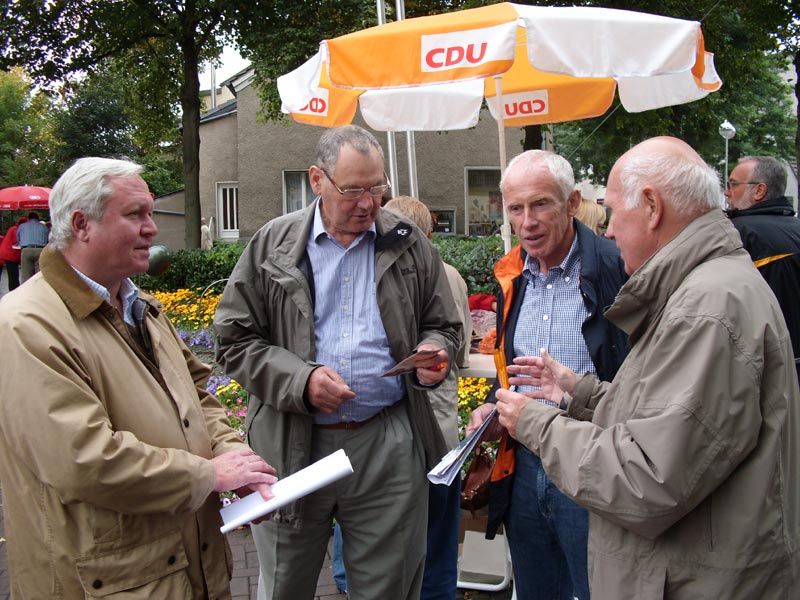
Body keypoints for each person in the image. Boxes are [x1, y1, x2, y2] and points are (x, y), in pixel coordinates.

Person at [493, 137, 800, 598]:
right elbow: (666, 415)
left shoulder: (705, 308)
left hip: (697, 572)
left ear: (652, 207)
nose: (610, 231)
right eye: (515, 208)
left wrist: (534, 421)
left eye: (614, 212)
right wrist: (580, 393)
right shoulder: (708, 288)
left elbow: (646, 479)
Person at [0, 157, 278, 599]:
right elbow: (83, 461)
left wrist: (232, 460)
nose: (151, 228)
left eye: (150, 212)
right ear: (81, 224)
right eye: (135, 215)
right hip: (108, 581)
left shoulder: (140, 305)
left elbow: (198, 396)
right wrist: (208, 475)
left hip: (181, 566)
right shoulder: (25, 325)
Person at [214, 125, 462, 600]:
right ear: (317, 180)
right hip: (292, 443)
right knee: (285, 582)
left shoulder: (411, 243)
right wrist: (300, 380)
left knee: (388, 586)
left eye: (377, 187)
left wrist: (436, 352)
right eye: (353, 190)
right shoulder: (272, 244)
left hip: (385, 441)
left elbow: (445, 326)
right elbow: (233, 339)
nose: (367, 203)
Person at [467, 150, 629, 600]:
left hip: (593, 465)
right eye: (516, 208)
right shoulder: (511, 274)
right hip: (524, 466)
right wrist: (496, 405)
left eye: (541, 204)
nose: (527, 221)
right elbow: (513, 371)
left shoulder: (616, 268)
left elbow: (642, 381)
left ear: (573, 202)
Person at [383, 196, 473, 600]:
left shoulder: (374, 272)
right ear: (429, 231)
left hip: (392, 431)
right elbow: (463, 352)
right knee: (438, 538)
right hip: (439, 426)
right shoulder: (450, 275)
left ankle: (348, 582)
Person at [724, 155, 800, 381]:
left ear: (759, 191)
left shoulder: (734, 234)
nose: (727, 192)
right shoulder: (797, 229)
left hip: (757, 366)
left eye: (733, 184)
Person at [16, 211, 50, 282]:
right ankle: (39, 289)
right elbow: (48, 239)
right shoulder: (44, 227)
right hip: (40, 250)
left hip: (26, 250)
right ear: (38, 218)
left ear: (28, 218)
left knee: (26, 275)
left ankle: (26, 291)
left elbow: (18, 238)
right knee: (40, 275)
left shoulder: (22, 226)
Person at [0, 217, 26, 291]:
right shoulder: (16, 229)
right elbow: (16, 241)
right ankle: (14, 291)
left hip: (8, 254)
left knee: (13, 275)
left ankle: (14, 290)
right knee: (13, 275)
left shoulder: (13, 228)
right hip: (10, 255)